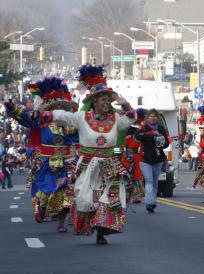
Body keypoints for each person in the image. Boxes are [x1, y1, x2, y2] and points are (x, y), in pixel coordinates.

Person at [32, 64, 135, 245]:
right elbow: (62, 115)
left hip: (110, 165)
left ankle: (102, 231)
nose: (105, 103)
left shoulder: (115, 119)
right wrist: (42, 114)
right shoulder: (82, 118)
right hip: (87, 165)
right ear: (94, 102)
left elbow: (131, 119)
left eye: (107, 100)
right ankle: (92, 224)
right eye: (102, 100)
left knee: (111, 198)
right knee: (85, 200)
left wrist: (125, 104)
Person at [5, 77, 78, 231]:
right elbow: (25, 115)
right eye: (55, 108)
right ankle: (42, 205)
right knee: (46, 192)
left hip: (66, 162)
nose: (58, 111)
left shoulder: (70, 125)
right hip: (46, 162)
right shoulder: (41, 121)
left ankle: (61, 224)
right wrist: (12, 107)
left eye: (61, 108)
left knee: (67, 194)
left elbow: (82, 135)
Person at [135, 109, 170, 213]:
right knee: (149, 180)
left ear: (157, 118)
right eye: (151, 116)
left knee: (155, 182)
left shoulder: (161, 128)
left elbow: (166, 143)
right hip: (145, 159)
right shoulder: (143, 128)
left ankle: (152, 202)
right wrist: (150, 134)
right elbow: (137, 136)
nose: (153, 118)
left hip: (158, 159)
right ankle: (150, 203)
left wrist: (161, 140)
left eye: (155, 116)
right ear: (147, 118)